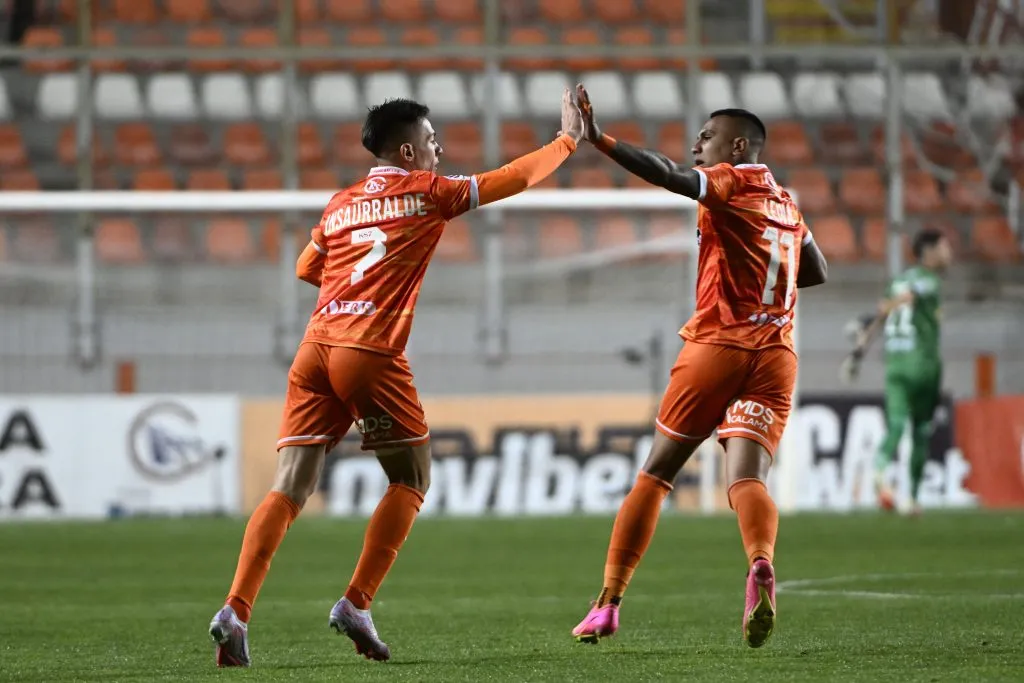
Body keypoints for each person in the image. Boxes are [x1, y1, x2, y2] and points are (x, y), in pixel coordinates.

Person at [208, 92, 585, 667]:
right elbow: (513, 178)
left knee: (289, 486)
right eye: (432, 141)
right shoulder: (428, 192)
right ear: (408, 152)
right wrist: (567, 141)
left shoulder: (340, 203)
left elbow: (307, 267)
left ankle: (235, 610)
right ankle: (356, 602)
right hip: (368, 351)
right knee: (411, 477)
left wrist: (350, 289)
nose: (439, 151)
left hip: (315, 348)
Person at [569, 84, 828, 649]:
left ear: (738, 146)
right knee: (747, 479)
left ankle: (607, 604)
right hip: (775, 355)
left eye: (707, 137)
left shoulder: (731, 182)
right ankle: (760, 561)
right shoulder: (786, 203)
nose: (696, 146)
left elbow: (669, 175)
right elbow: (816, 270)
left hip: (718, 346)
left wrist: (600, 140)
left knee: (656, 475)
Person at [841, 228, 952, 515]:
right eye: (944, 247)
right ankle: (912, 498)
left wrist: (858, 353)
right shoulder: (928, 280)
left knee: (896, 425)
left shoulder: (896, 281)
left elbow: (881, 318)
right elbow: (910, 297)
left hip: (895, 365)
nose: (949, 253)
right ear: (929, 251)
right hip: (923, 365)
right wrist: (889, 306)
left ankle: (880, 470)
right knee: (921, 430)